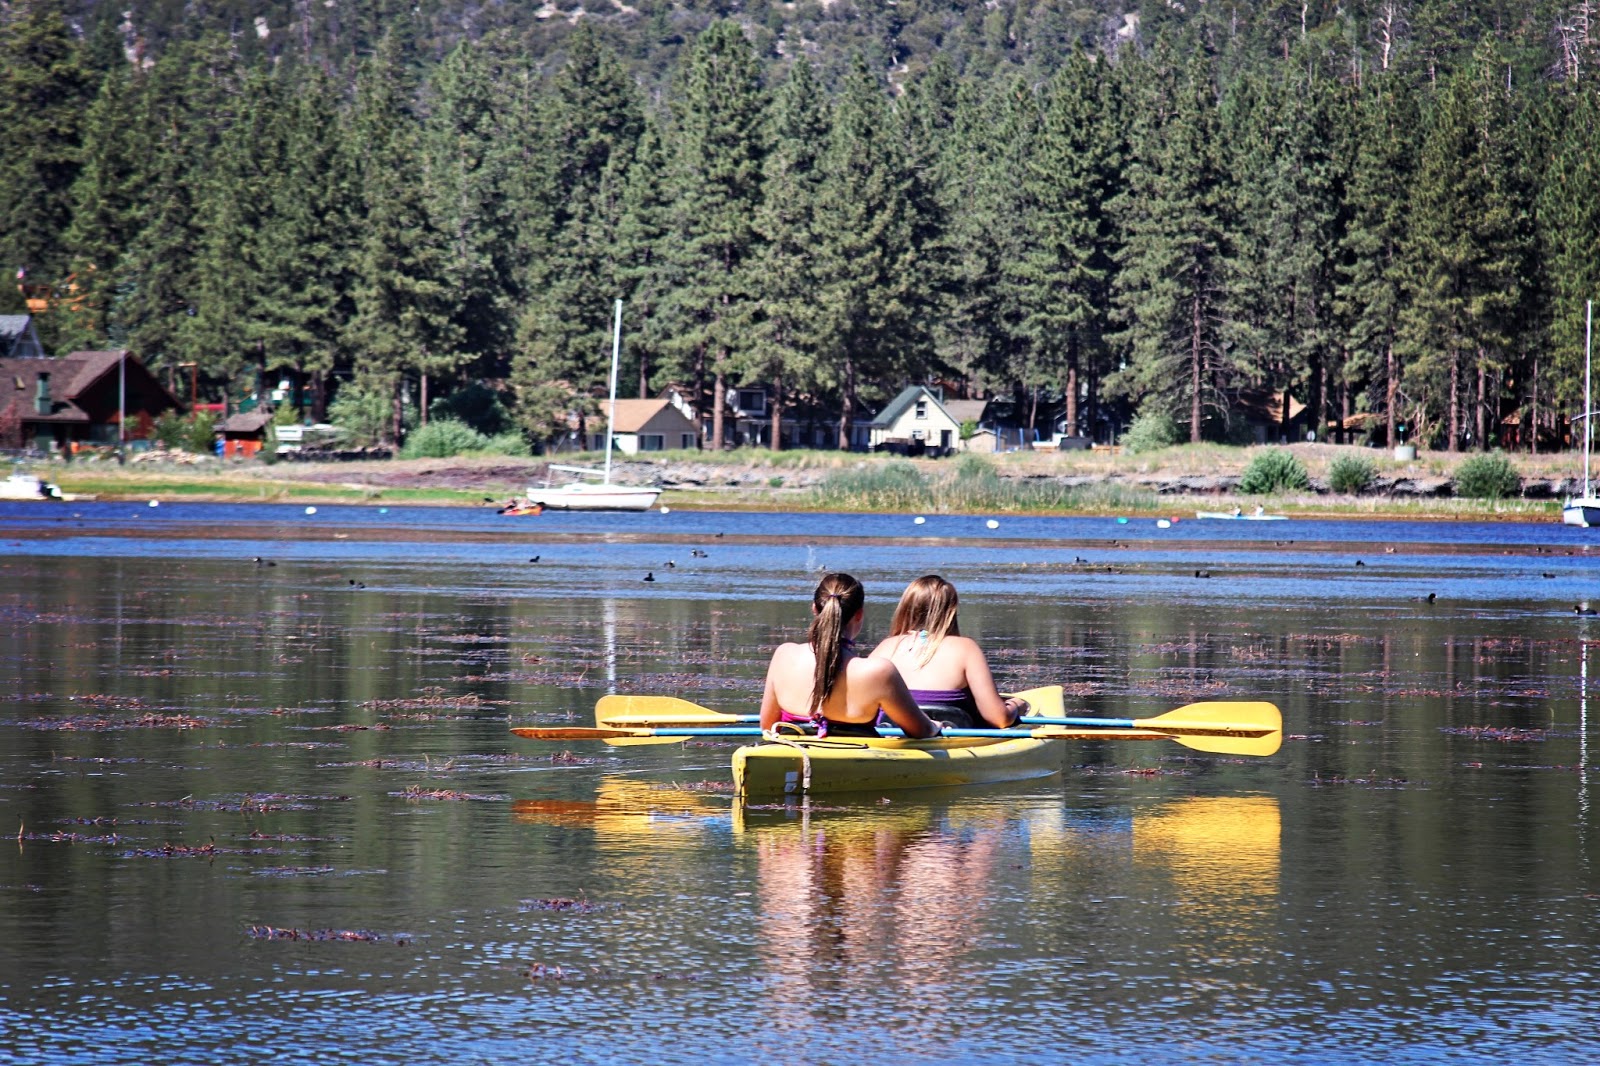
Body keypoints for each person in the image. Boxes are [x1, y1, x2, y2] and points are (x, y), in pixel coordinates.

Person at [759, 572, 942, 739]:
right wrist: (935, 726)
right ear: (859, 614)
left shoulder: (784, 654)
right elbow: (922, 731)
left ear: (814, 609)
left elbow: (767, 727)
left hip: (794, 757)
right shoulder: (879, 671)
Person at [870, 575, 1028, 730]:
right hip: (951, 737)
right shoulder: (966, 648)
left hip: (893, 735)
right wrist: (1015, 705)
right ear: (951, 613)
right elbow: (1000, 719)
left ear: (905, 608)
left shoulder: (885, 647)